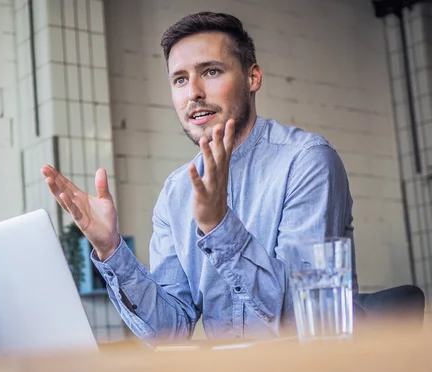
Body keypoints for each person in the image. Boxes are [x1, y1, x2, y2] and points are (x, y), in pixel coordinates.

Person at [41, 11, 359, 343]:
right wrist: (110, 250)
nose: (193, 92)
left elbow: (300, 316)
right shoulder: (176, 193)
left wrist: (219, 226)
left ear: (253, 77)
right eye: (179, 79)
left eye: (211, 71)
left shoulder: (307, 161)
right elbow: (171, 332)